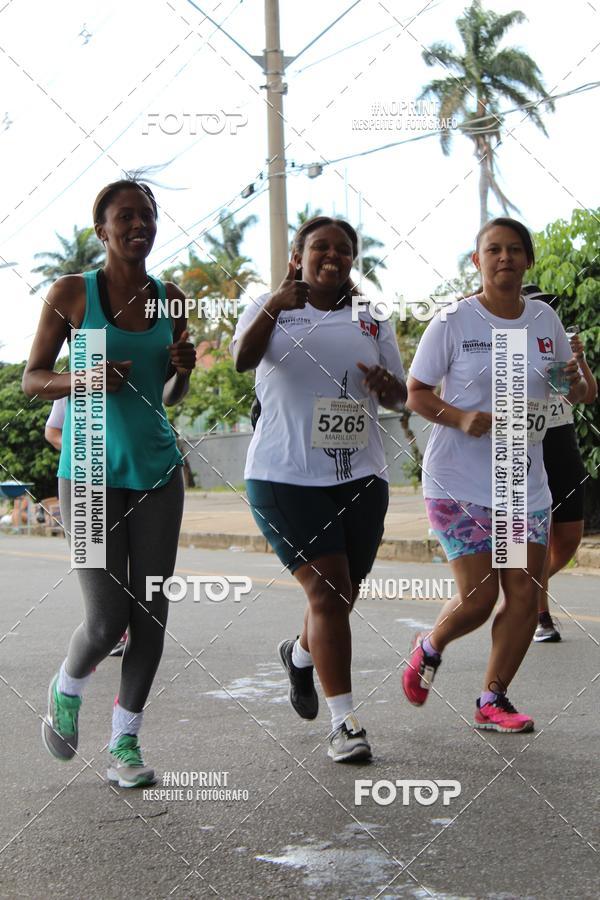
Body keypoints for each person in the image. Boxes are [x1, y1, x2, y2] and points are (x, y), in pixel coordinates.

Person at [23, 178, 195, 787]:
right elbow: (33, 379)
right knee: (106, 619)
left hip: (155, 470)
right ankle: (68, 684)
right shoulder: (73, 294)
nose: (137, 225)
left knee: (150, 610)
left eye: (146, 215)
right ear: (102, 229)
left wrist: (182, 371)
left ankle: (125, 743)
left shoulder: (168, 298)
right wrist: (86, 379)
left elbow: (171, 395)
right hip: (91, 470)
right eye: (125, 216)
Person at [231, 216, 407, 762]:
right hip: (284, 476)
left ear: (353, 259)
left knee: (343, 592)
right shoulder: (270, 305)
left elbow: (403, 396)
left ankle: (301, 656)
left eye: (343, 249)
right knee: (329, 591)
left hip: (360, 475)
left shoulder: (371, 317)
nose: (332, 256)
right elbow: (241, 360)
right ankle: (343, 723)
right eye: (320, 248)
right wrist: (275, 305)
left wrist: (386, 387)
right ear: (298, 256)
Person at [403, 217, 588, 732]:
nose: (504, 257)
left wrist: (576, 377)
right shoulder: (453, 320)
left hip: (521, 480)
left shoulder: (544, 320)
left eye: (513, 250)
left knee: (525, 594)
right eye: (493, 250)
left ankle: (493, 698)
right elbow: (416, 392)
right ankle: (429, 646)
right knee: (480, 598)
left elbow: (569, 396)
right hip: (458, 480)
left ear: (527, 259)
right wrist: (461, 417)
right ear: (477, 261)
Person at [521, 285, 598, 642]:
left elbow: (587, 394)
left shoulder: (557, 345)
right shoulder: (509, 346)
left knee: (568, 536)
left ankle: (526, 588)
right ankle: (540, 615)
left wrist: (578, 360)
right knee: (533, 538)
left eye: (549, 308)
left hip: (562, 443)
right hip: (527, 447)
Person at [45, 397, 128, 657]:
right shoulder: (74, 378)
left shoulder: (137, 371)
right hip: (87, 482)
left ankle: (132, 631)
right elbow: (53, 431)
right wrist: (79, 448)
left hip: (135, 476)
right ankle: (110, 630)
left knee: (134, 561)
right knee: (100, 565)